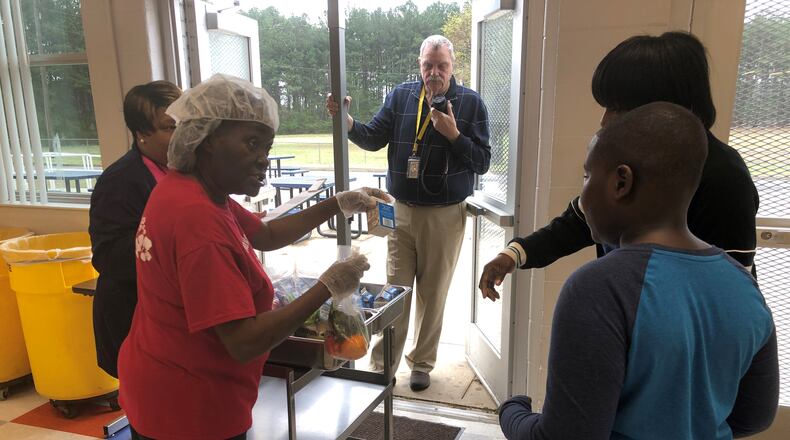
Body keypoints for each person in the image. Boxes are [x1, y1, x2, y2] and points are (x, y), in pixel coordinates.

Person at [118, 74, 387, 440]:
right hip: (189, 408)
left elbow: (267, 234)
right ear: (207, 139)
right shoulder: (198, 222)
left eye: (267, 146)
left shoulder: (196, 190)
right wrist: (328, 285)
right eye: (251, 143)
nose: (264, 159)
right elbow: (243, 342)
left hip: (163, 381)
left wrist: (339, 203)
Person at [498, 102, 778, 439]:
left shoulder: (600, 289)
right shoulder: (744, 287)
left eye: (587, 176)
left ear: (621, 182)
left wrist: (512, 411)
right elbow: (755, 416)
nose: (582, 199)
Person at [479, 32, 760, 300]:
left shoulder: (724, 178)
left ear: (662, 106)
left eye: (617, 108)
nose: (605, 122)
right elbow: (579, 220)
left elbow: (731, 295)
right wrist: (514, 254)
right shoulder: (629, 158)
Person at [327, 34, 492, 391]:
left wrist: (454, 135)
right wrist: (347, 120)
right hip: (400, 211)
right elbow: (372, 138)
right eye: (428, 65)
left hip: (445, 216)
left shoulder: (470, 103)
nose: (434, 73)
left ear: (453, 66)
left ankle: (421, 363)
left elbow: (483, 161)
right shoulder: (402, 96)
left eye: (442, 66)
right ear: (420, 65)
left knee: (433, 295)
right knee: (395, 290)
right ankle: (382, 365)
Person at [89, 80, 181, 378]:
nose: (181, 136)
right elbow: (108, 257)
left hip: (168, 319)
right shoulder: (120, 181)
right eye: (169, 128)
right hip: (132, 318)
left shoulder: (180, 171)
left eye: (184, 125)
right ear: (141, 134)